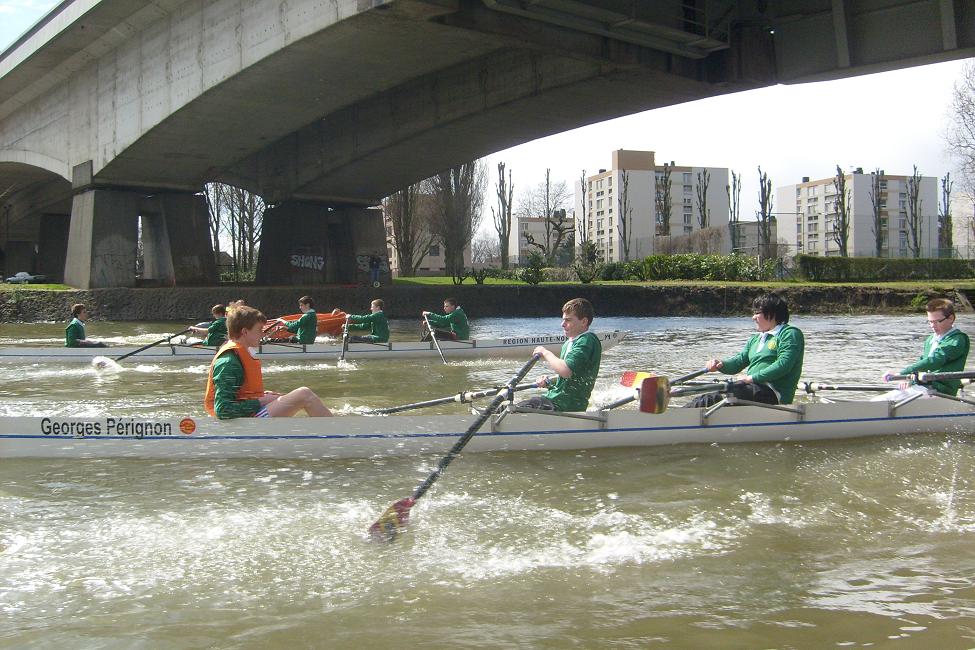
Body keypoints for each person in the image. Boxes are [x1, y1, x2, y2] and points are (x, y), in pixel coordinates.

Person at [204, 305, 332, 418]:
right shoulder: (228, 362)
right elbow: (223, 410)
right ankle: (339, 435)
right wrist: (260, 401)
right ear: (245, 332)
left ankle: (332, 429)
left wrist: (260, 396)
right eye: (259, 330)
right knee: (304, 394)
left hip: (248, 418)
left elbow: (239, 395)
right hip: (244, 423)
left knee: (290, 396)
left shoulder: (239, 354)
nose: (262, 335)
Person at [691, 293, 804, 408]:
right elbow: (739, 361)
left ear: (772, 313)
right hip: (753, 389)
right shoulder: (755, 339)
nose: (753, 317)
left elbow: (784, 365)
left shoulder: (790, 334)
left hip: (774, 394)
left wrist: (751, 378)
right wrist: (720, 364)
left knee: (731, 391)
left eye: (757, 313)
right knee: (709, 398)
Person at [519, 298, 602, 412]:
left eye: (568, 320)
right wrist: (548, 383)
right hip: (556, 400)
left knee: (516, 409)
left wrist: (545, 352)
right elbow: (569, 379)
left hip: (567, 405)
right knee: (508, 408)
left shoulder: (587, 340)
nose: (562, 324)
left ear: (583, 322)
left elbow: (566, 371)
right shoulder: (568, 343)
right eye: (563, 320)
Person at [879, 297, 970, 397]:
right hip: (926, 386)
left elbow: (934, 361)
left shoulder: (957, 340)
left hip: (942, 391)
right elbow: (923, 363)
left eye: (937, 321)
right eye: (930, 321)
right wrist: (908, 379)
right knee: (881, 400)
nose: (933, 325)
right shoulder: (930, 340)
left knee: (883, 402)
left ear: (951, 318)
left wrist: (901, 373)